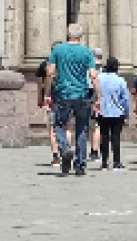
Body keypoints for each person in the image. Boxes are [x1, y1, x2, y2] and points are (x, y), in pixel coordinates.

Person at [45, 23, 100, 178]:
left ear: (68, 34)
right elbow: (93, 75)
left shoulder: (58, 50)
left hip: (63, 94)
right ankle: (80, 165)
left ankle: (64, 148)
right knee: (82, 129)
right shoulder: (87, 52)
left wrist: (47, 94)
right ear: (80, 36)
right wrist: (99, 97)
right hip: (82, 95)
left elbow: (50, 73)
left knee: (59, 125)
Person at [97, 55, 130, 169]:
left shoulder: (100, 78)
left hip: (102, 111)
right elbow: (125, 99)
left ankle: (104, 162)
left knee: (104, 136)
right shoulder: (120, 80)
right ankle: (116, 161)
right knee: (116, 137)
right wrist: (127, 113)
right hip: (117, 112)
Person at [35, 57, 61, 163]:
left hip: (50, 98)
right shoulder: (66, 63)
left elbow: (39, 84)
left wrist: (40, 98)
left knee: (52, 128)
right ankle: (64, 153)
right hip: (66, 97)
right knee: (66, 127)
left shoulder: (44, 65)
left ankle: (56, 156)